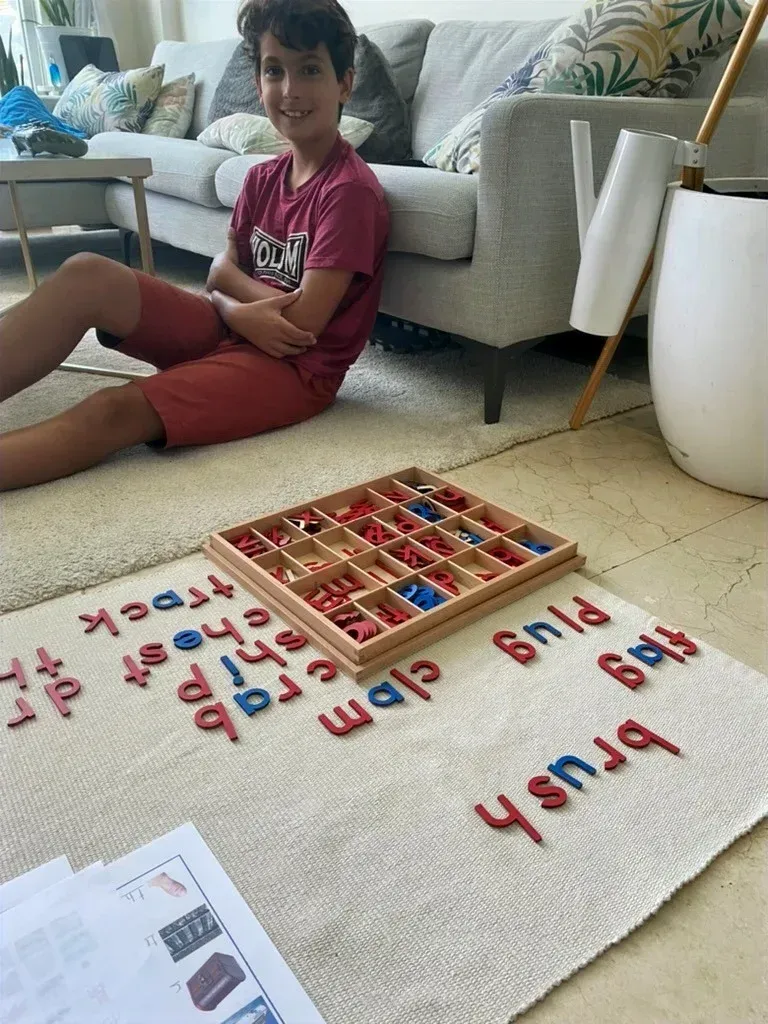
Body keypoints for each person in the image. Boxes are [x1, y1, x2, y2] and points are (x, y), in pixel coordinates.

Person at [0, 0, 389, 491]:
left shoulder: (348, 192)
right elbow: (219, 270)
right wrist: (229, 307)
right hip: (234, 326)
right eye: (275, 71)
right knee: (85, 273)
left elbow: (303, 323)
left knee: (114, 409)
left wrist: (227, 296)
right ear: (259, 84)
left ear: (344, 84)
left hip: (295, 369)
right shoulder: (261, 178)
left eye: (310, 69)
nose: (290, 90)